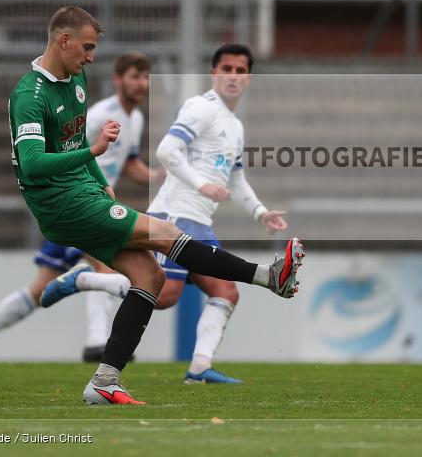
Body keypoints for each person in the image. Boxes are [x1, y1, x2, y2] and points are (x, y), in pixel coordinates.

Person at [4, 6, 303, 405]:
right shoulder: (30, 95)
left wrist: (99, 183)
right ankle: (268, 276)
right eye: (87, 47)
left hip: (84, 195)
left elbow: (75, 147)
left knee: (151, 279)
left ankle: (104, 382)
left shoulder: (76, 82)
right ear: (64, 40)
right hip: (60, 204)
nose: (91, 57)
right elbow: (33, 164)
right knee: (167, 235)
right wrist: (94, 151)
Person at [43, 44, 287, 384]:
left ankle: (199, 369)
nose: (233, 76)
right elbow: (166, 150)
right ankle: (84, 279)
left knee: (225, 293)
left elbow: (236, 178)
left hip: (200, 219)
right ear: (214, 73)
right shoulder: (201, 108)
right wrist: (201, 184)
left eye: (240, 70)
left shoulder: (235, 126)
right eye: (227, 69)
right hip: (176, 214)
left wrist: (261, 213)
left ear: (248, 77)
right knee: (166, 294)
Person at [0, 52, 163, 363]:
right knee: (104, 268)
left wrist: (161, 175)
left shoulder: (134, 118)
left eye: (146, 77)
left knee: (43, 287)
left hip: (95, 203)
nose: (141, 84)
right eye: (134, 76)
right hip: (76, 203)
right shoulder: (98, 115)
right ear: (117, 80)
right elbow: (74, 151)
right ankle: (97, 343)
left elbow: (129, 163)